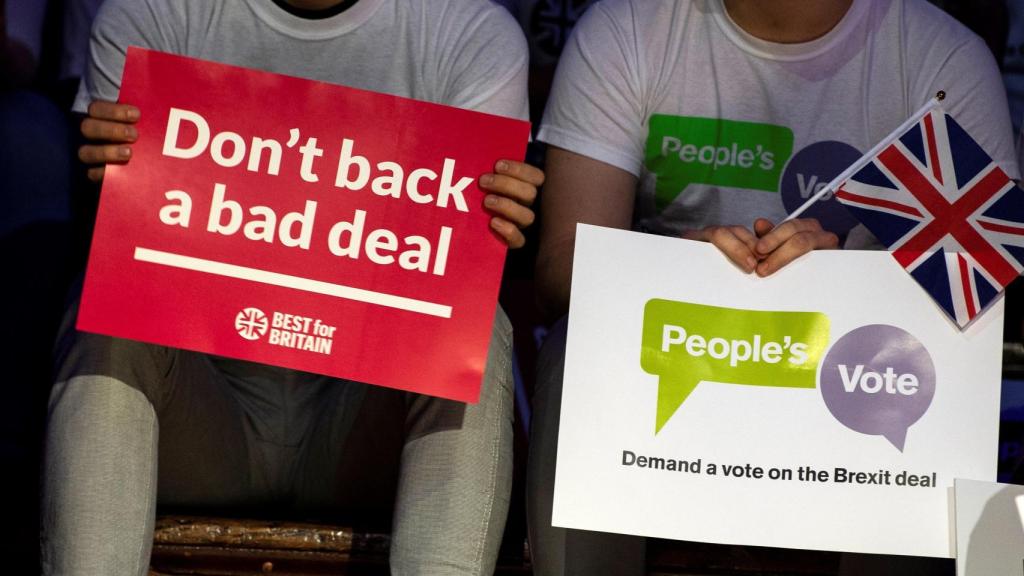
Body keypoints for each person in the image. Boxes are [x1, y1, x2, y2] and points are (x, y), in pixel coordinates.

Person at [42, 1, 544, 575]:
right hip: (201, 414)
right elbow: (119, 245)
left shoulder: (470, 34)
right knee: (106, 302)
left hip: (363, 429)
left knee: (474, 323)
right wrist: (115, 180)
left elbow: (462, 262)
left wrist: (491, 222)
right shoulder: (156, 10)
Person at [526, 0, 1017, 575]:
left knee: (942, 383)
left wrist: (836, 284)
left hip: (854, 369)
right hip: (679, 345)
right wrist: (673, 269)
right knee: (574, 344)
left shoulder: (942, 55)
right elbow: (563, 264)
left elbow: (979, 289)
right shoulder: (628, 27)